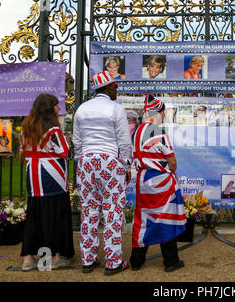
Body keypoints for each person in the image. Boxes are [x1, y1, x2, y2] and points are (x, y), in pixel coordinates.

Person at [73, 71, 133, 275]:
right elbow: (124, 142)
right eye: (115, 87)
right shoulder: (116, 109)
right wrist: (126, 166)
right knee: (112, 211)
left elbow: (77, 141)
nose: (117, 90)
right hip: (109, 161)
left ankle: (88, 259)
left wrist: (82, 163)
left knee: (89, 211)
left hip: (87, 162)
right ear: (108, 88)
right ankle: (113, 261)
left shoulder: (82, 109)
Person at [129, 94, 186, 273]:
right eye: (163, 114)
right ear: (156, 113)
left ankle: (136, 261)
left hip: (142, 179)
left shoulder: (136, 132)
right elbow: (172, 161)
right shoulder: (158, 132)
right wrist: (171, 171)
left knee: (143, 219)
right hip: (160, 180)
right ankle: (170, 261)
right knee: (165, 218)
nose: (164, 117)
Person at [19, 93, 75, 271]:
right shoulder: (53, 129)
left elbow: (22, 148)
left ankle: (28, 258)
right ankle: (55, 256)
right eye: (56, 105)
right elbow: (64, 151)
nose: (59, 108)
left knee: (34, 215)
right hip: (52, 176)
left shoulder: (27, 125)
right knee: (54, 215)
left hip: (33, 175)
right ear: (49, 108)